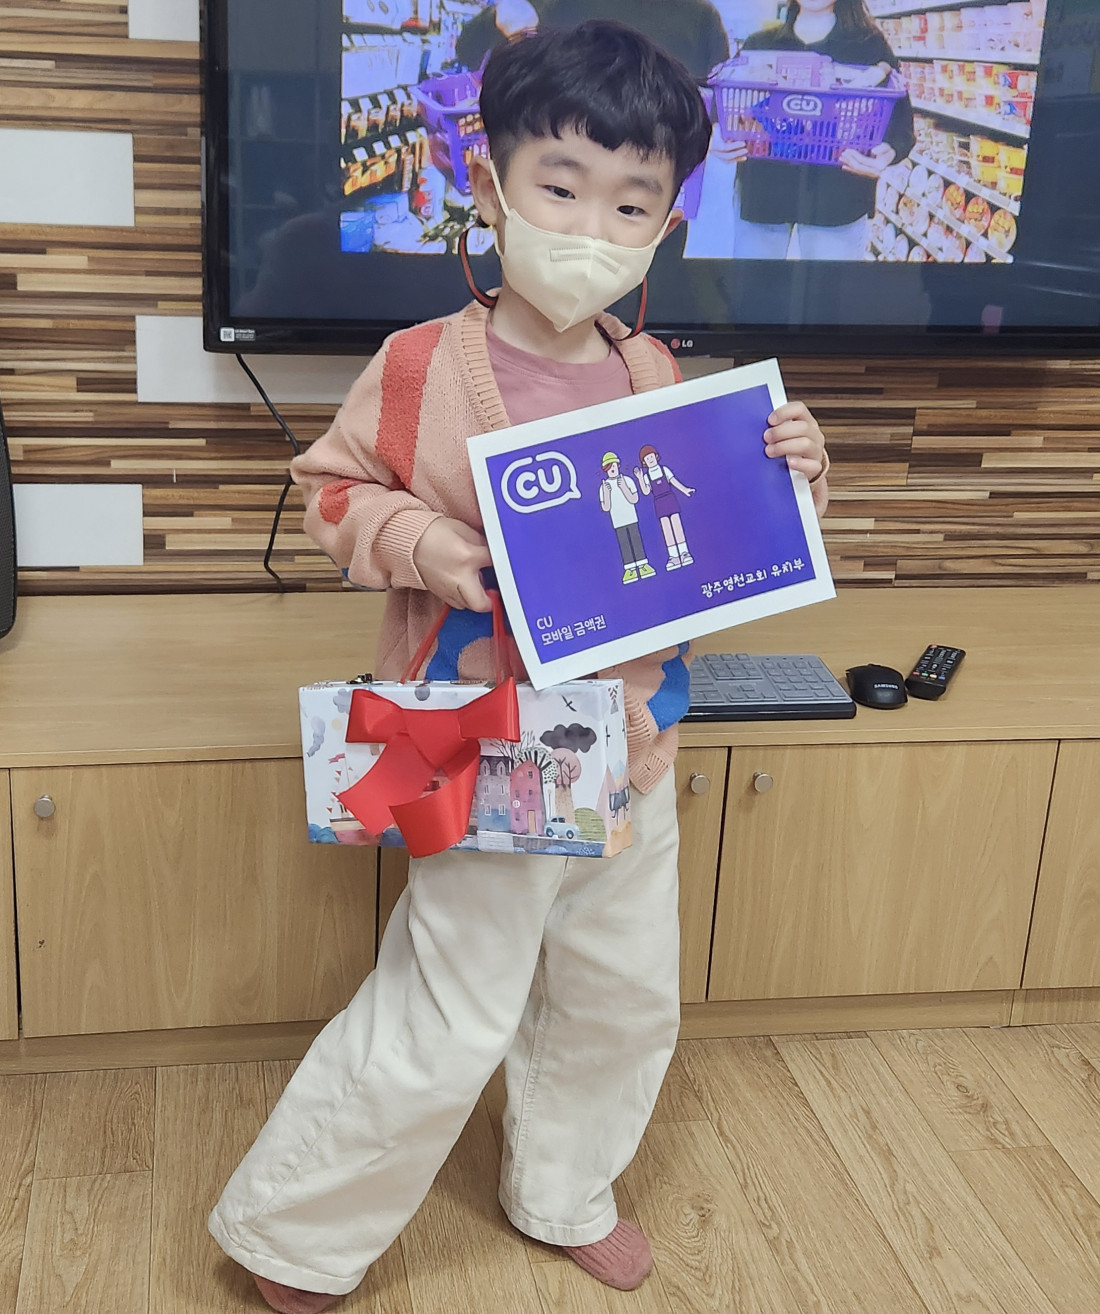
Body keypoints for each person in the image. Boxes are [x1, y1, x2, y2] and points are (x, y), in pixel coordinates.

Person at [207, 22, 831, 1314]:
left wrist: (791, 476)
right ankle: (296, 1235)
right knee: (447, 1004)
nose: (590, 226)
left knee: (622, 996)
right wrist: (425, 543)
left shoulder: (654, 369)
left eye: (630, 203)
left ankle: (565, 1190)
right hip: (480, 743)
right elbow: (330, 495)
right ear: (487, 187)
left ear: (666, 224)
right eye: (559, 185)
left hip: (636, 741)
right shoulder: (420, 367)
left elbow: (707, 540)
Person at [723, 0, 915, 262]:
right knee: (758, 285)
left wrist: (888, 152)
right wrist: (719, 136)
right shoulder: (759, 44)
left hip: (838, 197)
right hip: (764, 192)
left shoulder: (870, 46)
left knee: (828, 286)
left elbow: (901, 123)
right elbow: (726, 105)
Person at [633, 443, 696, 568]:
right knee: (666, 529)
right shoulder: (646, 476)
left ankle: (684, 552)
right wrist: (639, 478)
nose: (650, 459)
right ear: (644, 462)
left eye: (651, 456)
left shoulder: (664, 470)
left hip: (670, 499)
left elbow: (674, 482)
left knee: (677, 525)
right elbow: (646, 491)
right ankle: (673, 556)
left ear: (656, 456)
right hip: (659, 502)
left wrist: (685, 490)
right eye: (647, 458)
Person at [598, 452, 655, 583]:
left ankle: (643, 565)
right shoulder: (604, 487)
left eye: (613, 465)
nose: (612, 469)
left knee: (636, 541)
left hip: (631, 518)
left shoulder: (627, 480)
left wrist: (623, 487)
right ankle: (630, 569)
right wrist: (606, 493)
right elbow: (606, 507)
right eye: (609, 467)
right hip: (618, 521)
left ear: (618, 465)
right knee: (624, 545)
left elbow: (634, 499)